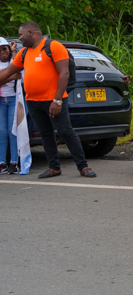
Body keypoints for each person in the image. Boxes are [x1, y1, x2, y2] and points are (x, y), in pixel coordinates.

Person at [0, 22, 95, 179]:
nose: (19, 37)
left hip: (55, 101)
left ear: (31, 32)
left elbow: (64, 74)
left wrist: (57, 100)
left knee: (66, 131)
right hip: (33, 101)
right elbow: (8, 71)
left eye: (21, 34)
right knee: (46, 133)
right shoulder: (24, 52)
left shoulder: (53, 47)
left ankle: (83, 166)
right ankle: (54, 167)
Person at [0, 39, 19, 174]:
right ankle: (2, 163)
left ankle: (14, 162)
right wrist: (11, 77)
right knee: (2, 132)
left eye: (4, 49)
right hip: (1, 100)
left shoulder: (13, 62)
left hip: (13, 100)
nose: (2, 52)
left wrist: (13, 50)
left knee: (13, 132)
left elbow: (20, 72)